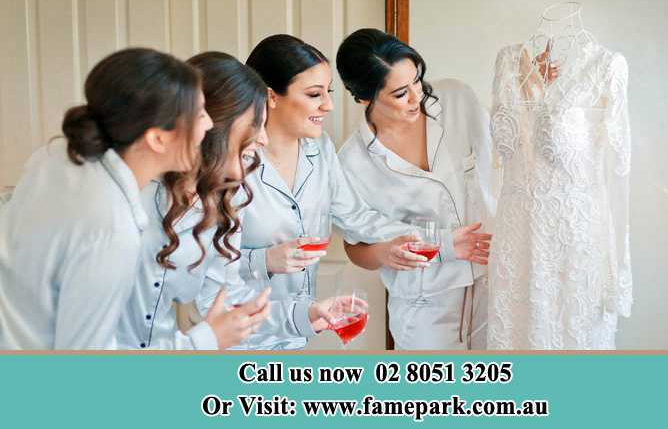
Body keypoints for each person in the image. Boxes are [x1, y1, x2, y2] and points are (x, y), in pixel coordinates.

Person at [196, 34, 420, 350]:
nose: (328, 105)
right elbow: (207, 270)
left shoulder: (321, 149)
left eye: (327, 92)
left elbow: (356, 216)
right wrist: (263, 260)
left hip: (297, 332)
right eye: (315, 94)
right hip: (237, 341)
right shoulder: (229, 165)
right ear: (271, 96)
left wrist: (431, 240)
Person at [0, 48, 210, 349]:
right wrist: (203, 341)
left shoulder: (56, 156)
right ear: (158, 138)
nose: (209, 125)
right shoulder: (111, 229)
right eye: (200, 114)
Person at [336, 29, 495, 350]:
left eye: (417, 81)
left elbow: (513, 150)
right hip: (423, 304)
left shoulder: (458, 100)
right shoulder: (351, 162)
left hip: (490, 283)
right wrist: (384, 252)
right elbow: (356, 249)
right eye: (399, 93)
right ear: (364, 96)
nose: (416, 97)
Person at [116, 52, 272, 350]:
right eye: (256, 124)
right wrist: (203, 343)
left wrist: (301, 315)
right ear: (212, 123)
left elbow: (221, 297)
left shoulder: (223, 198)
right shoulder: (131, 193)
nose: (263, 138)